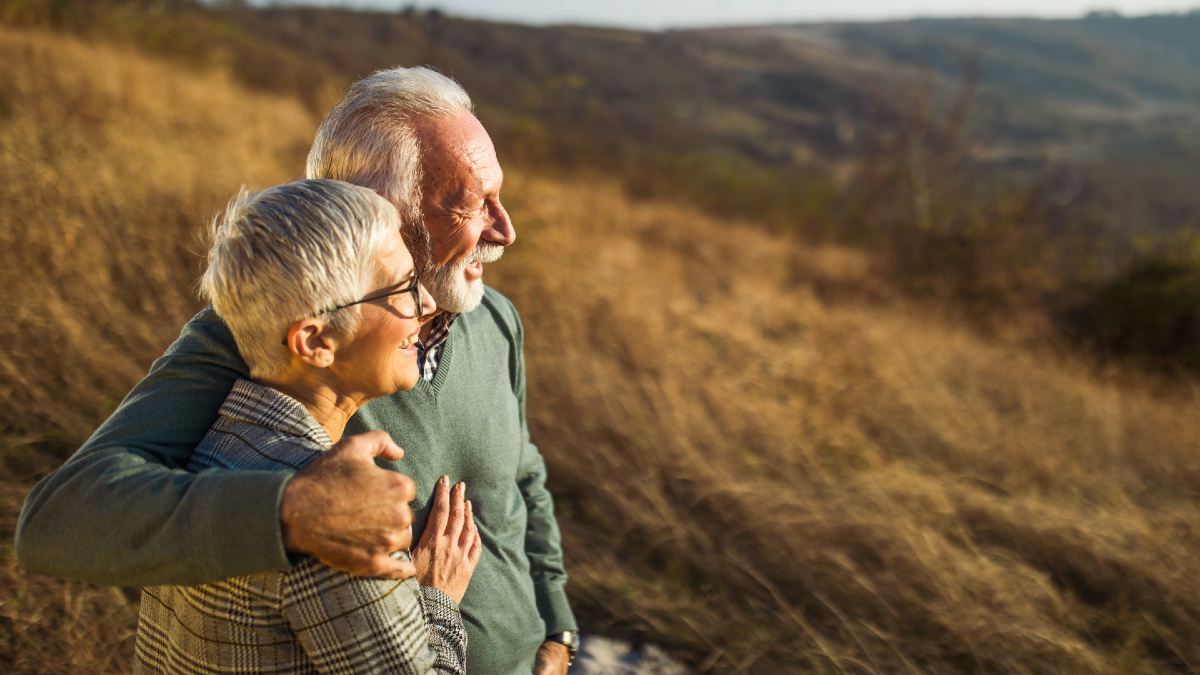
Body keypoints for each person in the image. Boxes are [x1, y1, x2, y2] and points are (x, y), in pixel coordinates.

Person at [16, 67, 578, 674]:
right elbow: (59, 521)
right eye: (471, 203)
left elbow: (523, 478)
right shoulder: (258, 339)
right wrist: (292, 510)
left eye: (499, 197)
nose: (506, 231)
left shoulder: (495, 318)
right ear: (373, 209)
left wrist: (557, 630)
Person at [136, 179, 477, 674]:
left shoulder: (200, 446)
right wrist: (437, 599)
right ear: (315, 342)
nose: (426, 306)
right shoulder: (338, 521)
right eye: (402, 288)